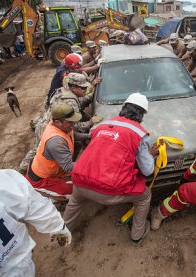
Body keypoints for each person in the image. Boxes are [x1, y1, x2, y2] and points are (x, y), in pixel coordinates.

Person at [63, 93, 159, 246]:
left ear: (123, 108)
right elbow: (147, 170)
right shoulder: (138, 133)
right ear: (142, 114)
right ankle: (137, 236)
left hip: (80, 181)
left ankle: (63, 231)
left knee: (75, 201)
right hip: (107, 190)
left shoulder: (102, 125)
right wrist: (150, 154)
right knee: (145, 196)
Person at [0, 168, 71, 277]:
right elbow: (32, 202)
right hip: (21, 262)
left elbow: (30, 202)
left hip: (23, 264)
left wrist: (55, 226)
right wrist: (56, 226)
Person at [26, 103, 89, 200]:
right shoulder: (55, 141)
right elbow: (68, 167)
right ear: (58, 122)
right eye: (70, 122)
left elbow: (73, 135)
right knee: (76, 192)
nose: (73, 124)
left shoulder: (62, 127)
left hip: (48, 168)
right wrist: (91, 164)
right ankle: (52, 199)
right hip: (40, 179)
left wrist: (89, 136)